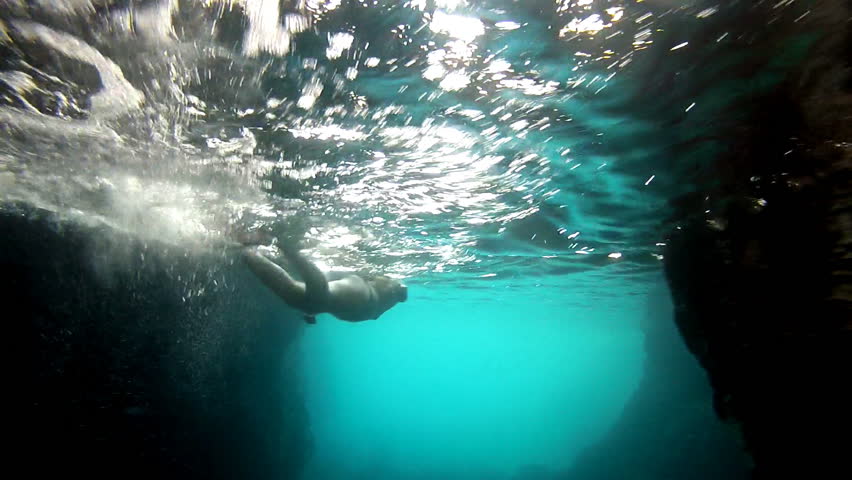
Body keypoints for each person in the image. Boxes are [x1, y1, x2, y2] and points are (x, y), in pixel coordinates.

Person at [242, 245, 407, 324]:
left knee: (314, 297)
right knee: (304, 298)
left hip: (363, 299)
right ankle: (249, 252)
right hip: (364, 305)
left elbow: (322, 294)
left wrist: (290, 250)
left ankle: (262, 249)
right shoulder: (384, 293)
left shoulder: (382, 290)